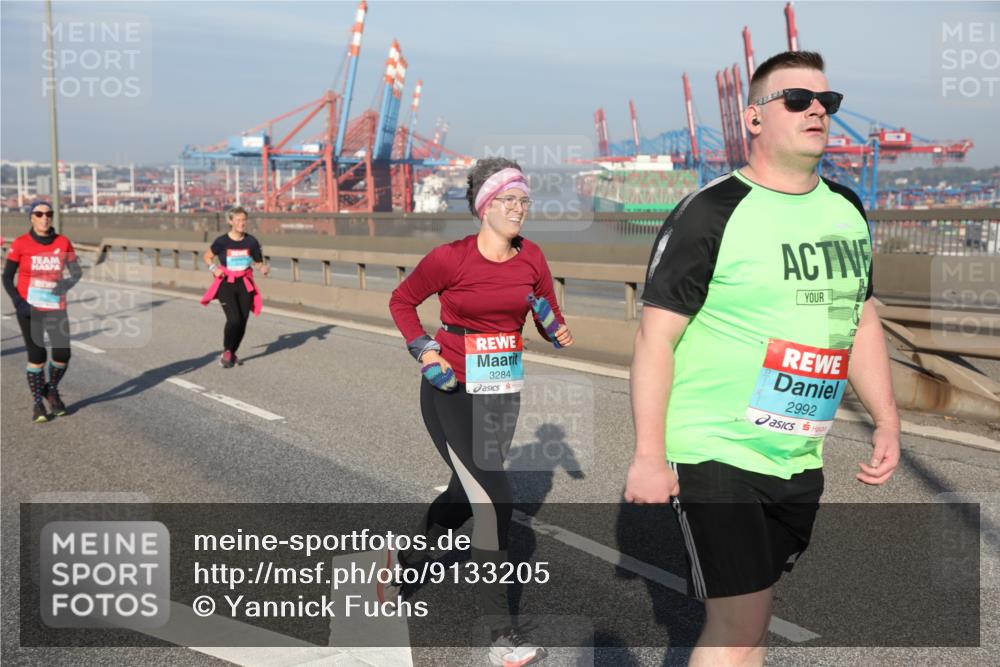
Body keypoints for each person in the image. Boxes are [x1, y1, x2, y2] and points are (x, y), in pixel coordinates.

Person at [625, 51, 900, 665]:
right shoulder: (710, 211)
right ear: (753, 118)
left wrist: (886, 416)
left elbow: (860, 315)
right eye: (798, 100)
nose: (817, 113)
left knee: (750, 624)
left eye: (827, 103)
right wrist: (648, 455)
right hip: (714, 445)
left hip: (798, 450)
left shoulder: (847, 210)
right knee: (739, 621)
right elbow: (654, 339)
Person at [388, 158, 572, 666]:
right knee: (494, 500)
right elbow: (402, 301)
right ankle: (500, 637)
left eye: (524, 200)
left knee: (463, 493)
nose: (518, 209)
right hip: (449, 388)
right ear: (483, 207)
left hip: (502, 391)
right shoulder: (450, 259)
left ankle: (411, 559)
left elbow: (545, 310)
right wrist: (424, 350)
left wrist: (551, 324)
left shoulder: (531, 255)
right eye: (508, 200)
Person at [3, 200, 83, 422]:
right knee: (37, 356)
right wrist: (18, 301)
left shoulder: (63, 242)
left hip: (56, 306)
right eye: (39, 214)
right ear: (31, 217)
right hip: (29, 308)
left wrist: (65, 284)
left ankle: (51, 388)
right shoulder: (21, 244)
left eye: (49, 214)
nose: (44, 217)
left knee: (62, 354)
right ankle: (38, 403)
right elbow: (7, 277)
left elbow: (76, 272)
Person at [200, 206, 269, 367]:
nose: (241, 223)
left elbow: (258, 261)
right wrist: (214, 269)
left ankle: (233, 352)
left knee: (243, 321)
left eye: (244, 220)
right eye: (237, 220)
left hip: (245, 284)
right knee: (234, 319)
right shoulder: (222, 241)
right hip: (226, 284)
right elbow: (207, 257)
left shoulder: (251, 241)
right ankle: (227, 351)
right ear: (230, 221)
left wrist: (262, 268)